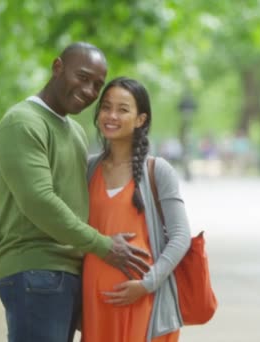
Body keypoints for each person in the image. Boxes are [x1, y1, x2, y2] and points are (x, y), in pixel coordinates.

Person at [0, 43, 151, 342]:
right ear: (57, 67)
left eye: (97, 86)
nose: (90, 90)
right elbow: (39, 201)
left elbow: (78, 198)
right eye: (83, 77)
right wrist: (103, 245)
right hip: (36, 272)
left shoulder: (75, 132)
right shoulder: (23, 122)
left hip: (67, 273)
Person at [82, 77, 191, 341]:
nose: (111, 116)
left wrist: (147, 284)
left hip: (143, 299)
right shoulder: (88, 169)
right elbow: (53, 214)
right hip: (94, 299)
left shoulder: (157, 170)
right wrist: (6, 241)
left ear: (140, 119)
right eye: (106, 107)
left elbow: (180, 237)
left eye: (122, 109)